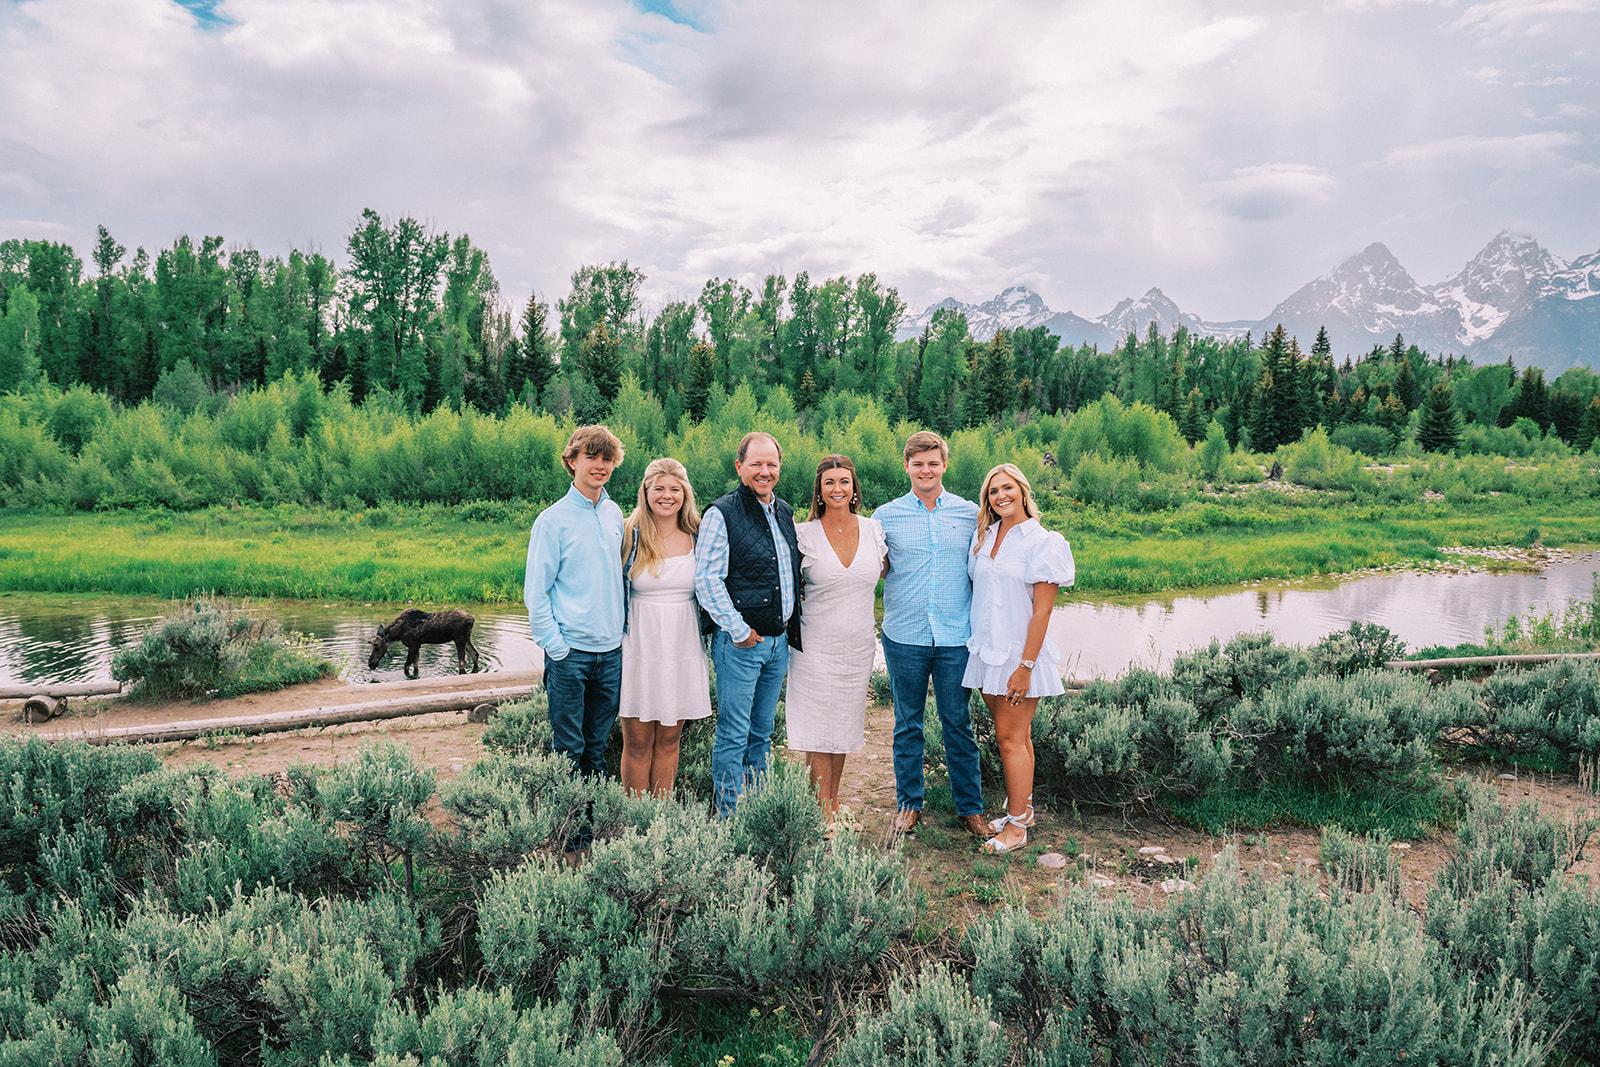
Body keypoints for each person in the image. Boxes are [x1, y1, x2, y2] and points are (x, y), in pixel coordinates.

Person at [875, 430, 988, 836]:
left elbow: (987, 568)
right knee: (908, 723)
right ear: (907, 466)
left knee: (958, 722)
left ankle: (969, 808)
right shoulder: (884, 516)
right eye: (918, 463)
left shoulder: (969, 512)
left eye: (933, 463)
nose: (926, 470)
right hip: (904, 635)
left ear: (944, 465)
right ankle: (909, 803)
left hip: (956, 637)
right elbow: (872, 567)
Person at [965, 462, 1075, 853]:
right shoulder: (986, 534)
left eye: (1008, 488)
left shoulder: (1043, 542)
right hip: (986, 651)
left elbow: (1042, 611)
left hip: (1018, 657)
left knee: (1009, 739)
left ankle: (1015, 830)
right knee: (1017, 736)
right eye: (993, 491)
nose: (1001, 496)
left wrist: (1025, 668)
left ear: (1023, 491)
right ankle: (1021, 811)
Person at [694, 431, 802, 817]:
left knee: (762, 733)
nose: (764, 471)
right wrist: (738, 631)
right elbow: (706, 578)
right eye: (755, 463)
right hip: (741, 646)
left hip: (777, 645)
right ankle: (729, 817)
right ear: (739, 467)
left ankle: (756, 813)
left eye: (771, 464)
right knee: (733, 734)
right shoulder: (720, 514)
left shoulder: (784, 511)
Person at [786, 454, 888, 832]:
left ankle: (833, 803)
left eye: (844, 481)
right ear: (819, 490)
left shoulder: (874, 530)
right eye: (829, 482)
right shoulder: (802, 533)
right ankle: (819, 813)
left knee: (843, 728)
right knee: (817, 730)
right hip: (814, 645)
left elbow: (887, 574)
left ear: (854, 488)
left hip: (859, 645)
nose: (837, 489)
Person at [524, 425, 626, 779]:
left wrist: (622, 632)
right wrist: (556, 646)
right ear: (571, 462)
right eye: (591, 457)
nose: (600, 464)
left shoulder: (614, 514)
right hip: (570, 656)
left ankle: (595, 832)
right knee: (568, 751)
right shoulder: (552, 521)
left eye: (607, 458)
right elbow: (535, 592)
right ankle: (571, 835)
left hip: (612, 655)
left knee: (597, 750)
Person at [618, 458, 712, 797]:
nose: (667, 496)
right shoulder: (629, 532)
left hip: (682, 645)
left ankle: (661, 820)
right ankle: (634, 819)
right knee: (639, 742)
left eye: (675, 489)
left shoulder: (698, 534)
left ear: (685, 493)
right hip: (639, 645)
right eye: (659, 488)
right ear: (646, 491)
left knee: (670, 740)